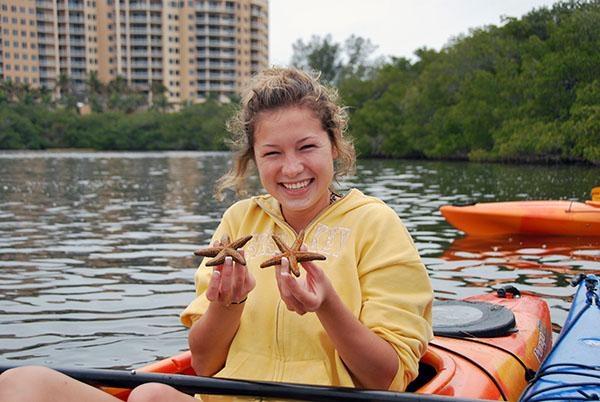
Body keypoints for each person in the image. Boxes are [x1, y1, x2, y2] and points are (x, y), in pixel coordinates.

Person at [0, 67, 433, 402]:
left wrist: (329, 307)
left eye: (306, 147)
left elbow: (385, 378)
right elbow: (205, 363)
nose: (292, 168)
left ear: (333, 146)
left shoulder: (376, 224)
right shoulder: (239, 222)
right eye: (272, 153)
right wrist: (229, 304)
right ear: (253, 159)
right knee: (27, 382)